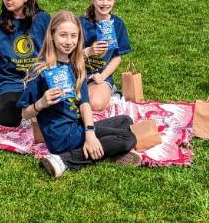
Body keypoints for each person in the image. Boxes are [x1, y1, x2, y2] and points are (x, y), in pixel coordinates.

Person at [19, 11, 138, 178]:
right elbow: (24, 113)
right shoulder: (41, 70)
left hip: (77, 127)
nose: (68, 42)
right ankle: (63, 160)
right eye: (63, 35)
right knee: (127, 138)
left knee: (126, 120)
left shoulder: (76, 66)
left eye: (73, 36)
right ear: (52, 35)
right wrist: (41, 103)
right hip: (60, 136)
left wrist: (89, 133)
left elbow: (85, 104)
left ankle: (108, 152)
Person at [80, 0, 132, 111]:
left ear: (114, 0)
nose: (105, 3)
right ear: (92, 0)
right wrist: (88, 51)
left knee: (95, 104)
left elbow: (117, 57)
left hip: (101, 76)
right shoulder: (81, 23)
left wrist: (102, 77)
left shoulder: (117, 24)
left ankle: (112, 92)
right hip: (78, 74)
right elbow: (68, 55)